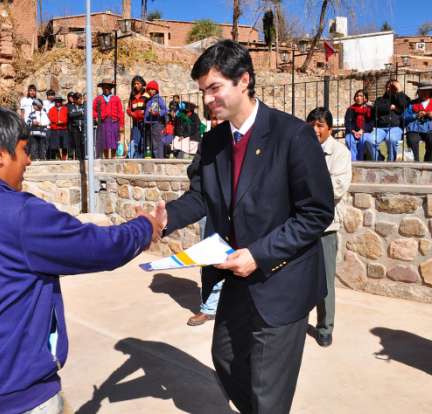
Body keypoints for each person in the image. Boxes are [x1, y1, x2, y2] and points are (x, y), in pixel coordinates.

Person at [0, 104, 165, 414]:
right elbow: (97, 247)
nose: (29, 160)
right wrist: (146, 226)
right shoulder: (18, 213)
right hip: (24, 394)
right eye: (23, 150)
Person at [159, 40, 334, 413]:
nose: (207, 99)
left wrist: (259, 254)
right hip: (237, 280)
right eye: (203, 90)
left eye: (215, 88)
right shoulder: (213, 142)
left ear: (244, 81)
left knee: (267, 391)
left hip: (282, 280)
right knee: (224, 356)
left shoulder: (293, 136)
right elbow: (202, 198)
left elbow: (316, 213)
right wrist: (164, 220)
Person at [307, 107, 352, 347]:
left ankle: (325, 327)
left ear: (329, 129)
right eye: (311, 124)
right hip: (300, 226)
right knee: (299, 279)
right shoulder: (302, 150)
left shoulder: (340, 153)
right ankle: (295, 321)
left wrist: (307, 187)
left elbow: (337, 187)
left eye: (319, 125)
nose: (314, 130)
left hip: (326, 227)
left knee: (325, 282)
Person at [367, 79, 410, 161]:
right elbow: (376, 108)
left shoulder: (402, 98)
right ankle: (379, 159)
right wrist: (391, 107)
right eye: (388, 87)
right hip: (380, 128)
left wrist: (399, 91)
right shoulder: (380, 99)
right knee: (370, 140)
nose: (390, 89)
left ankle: (391, 161)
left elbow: (404, 104)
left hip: (395, 127)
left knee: (391, 139)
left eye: (392, 87)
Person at [93, 79, 124, 159]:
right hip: (103, 123)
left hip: (114, 123)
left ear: (111, 88)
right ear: (102, 88)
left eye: (108, 87)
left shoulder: (116, 99)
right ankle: (106, 159)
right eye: (104, 87)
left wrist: (121, 125)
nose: (106, 89)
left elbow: (120, 112)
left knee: (114, 142)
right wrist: (97, 117)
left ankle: (113, 158)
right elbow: (93, 110)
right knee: (104, 142)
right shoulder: (98, 99)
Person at [404, 82, 432, 162]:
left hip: (430, 129)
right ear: (418, 92)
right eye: (421, 91)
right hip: (414, 129)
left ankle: (428, 162)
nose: (424, 93)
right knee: (412, 140)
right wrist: (415, 115)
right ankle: (415, 163)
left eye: (426, 91)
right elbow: (404, 116)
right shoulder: (412, 104)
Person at [344, 89, 373, 161]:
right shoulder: (350, 109)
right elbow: (348, 122)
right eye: (357, 96)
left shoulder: (370, 109)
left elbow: (371, 122)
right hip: (352, 132)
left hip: (365, 132)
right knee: (349, 140)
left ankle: (360, 160)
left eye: (361, 96)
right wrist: (353, 131)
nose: (358, 97)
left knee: (363, 140)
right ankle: (354, 161)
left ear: (365, 98)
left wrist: (362, 130)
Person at [144, 80, 167, 158]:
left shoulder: (158, 99)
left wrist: (157, 113)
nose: (150, 91)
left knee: (157, 144)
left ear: (155, 90)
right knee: (153, 144)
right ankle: (156, 159)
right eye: (148, 89)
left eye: (151, 89)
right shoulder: (150, 100)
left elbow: (165, 110)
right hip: (151, 124)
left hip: (157, 124)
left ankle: (159, 160)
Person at [127, 75, 148, 158]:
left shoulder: (146, 94)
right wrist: (132, 114)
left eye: (138, 83)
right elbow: (129, 109)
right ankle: (136, 158)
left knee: (143, 141)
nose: (136, 85)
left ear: (142, 84)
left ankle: (143, 157)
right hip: (135, 122)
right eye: (134, 84)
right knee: (136, 141)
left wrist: (144, 113)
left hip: (144, 122)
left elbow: (149, 106)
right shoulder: (132, 95)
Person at [48, 96, 70, 160]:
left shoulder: (65, 109)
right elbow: (50, 118)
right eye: (57, 101)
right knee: (55, 144)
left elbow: (66, 118)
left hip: (63, 129)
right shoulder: (51, 109)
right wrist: (57, 122)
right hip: (55, 129)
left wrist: (62, 122)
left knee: (64, 144)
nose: (58, 103)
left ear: (61, 102)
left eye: (59, 101)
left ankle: (64, 158)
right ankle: (57, 157)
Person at [68, 93, 85, 160]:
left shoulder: (83, 106)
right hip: (74, 128)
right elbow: (71, 115)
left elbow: (85, 115)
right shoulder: (71, 107)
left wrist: (77, 114)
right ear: (75, 99)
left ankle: (83, 157)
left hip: (82, 127)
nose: (81, 100)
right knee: (76, 143)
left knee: (83, 143)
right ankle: (78, 157)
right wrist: (80, 113)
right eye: (79, 99)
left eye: (81, 98)